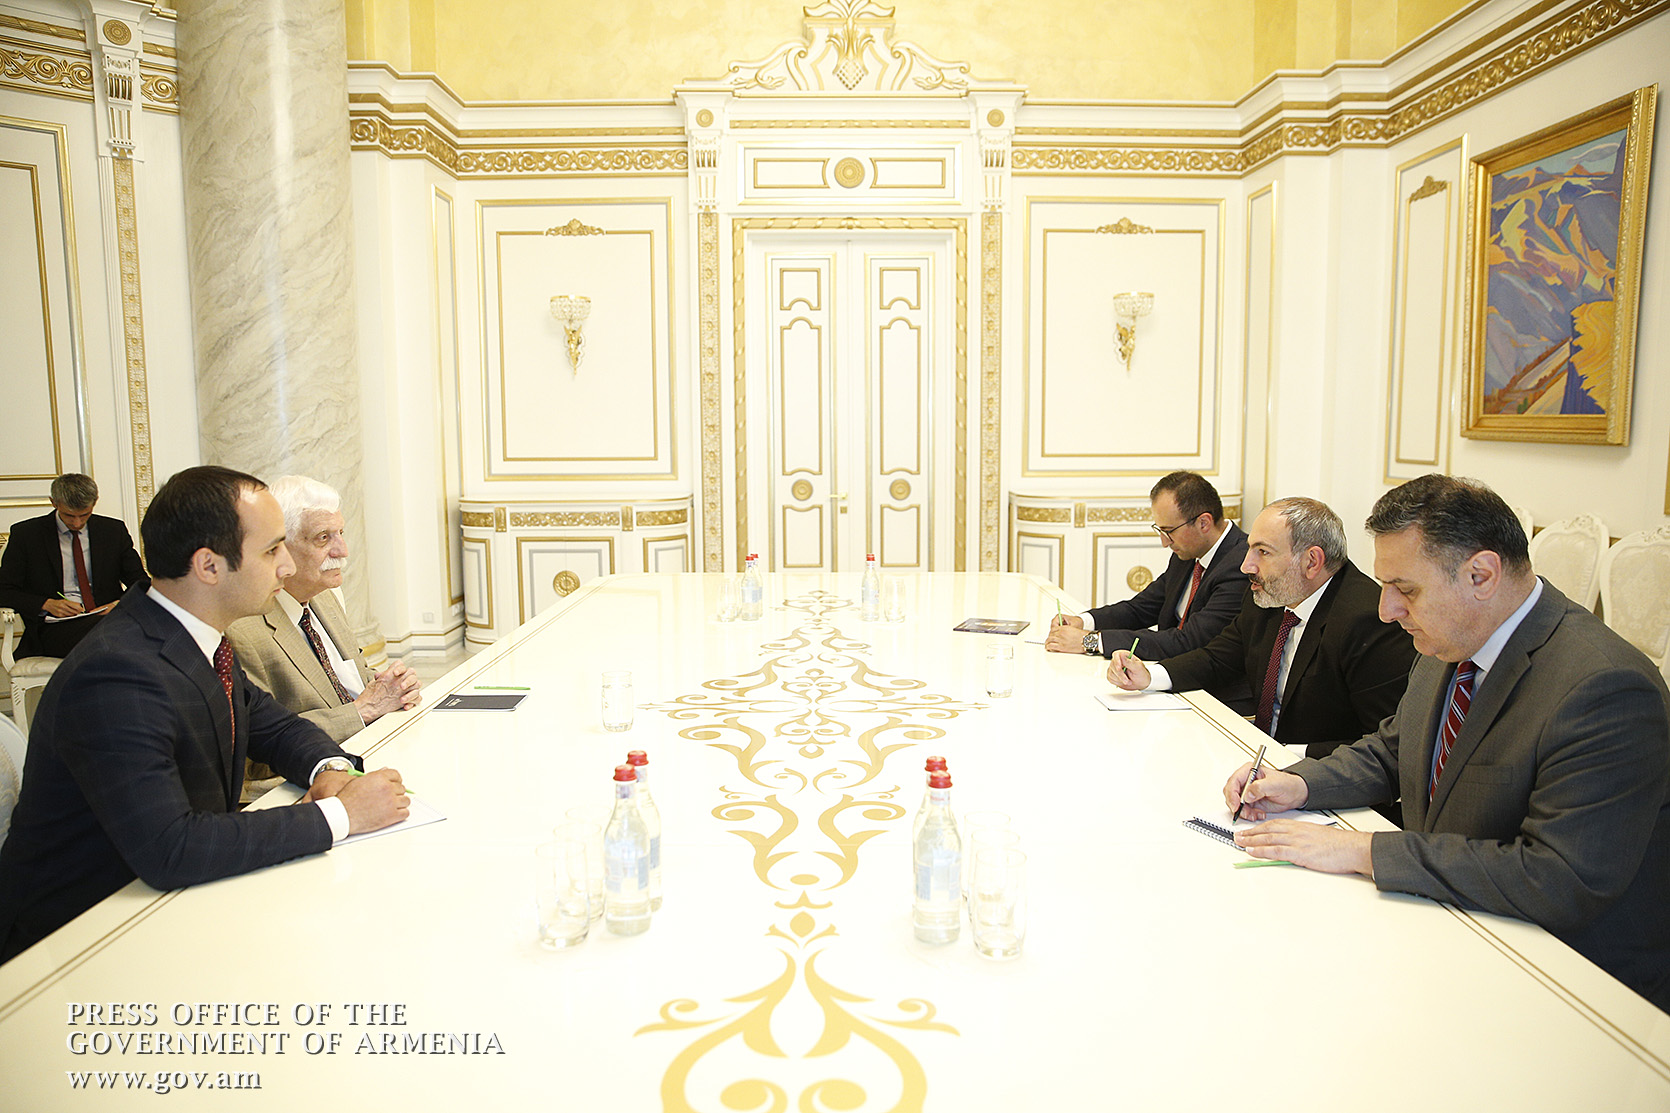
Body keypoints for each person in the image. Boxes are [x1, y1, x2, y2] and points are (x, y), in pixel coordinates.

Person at [1226, 475, 1670, 1011]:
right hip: (1449, 926)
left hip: (1570, 985)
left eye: (1406, 589)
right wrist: (1296, 783)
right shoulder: (1455, 636)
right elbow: (1395, 749)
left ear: (1481, 575)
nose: (1386, 610)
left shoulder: (1605, 688)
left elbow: (1557, 878)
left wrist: (1363, 851)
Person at [0, 466, 410, 963]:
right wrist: (343, 814)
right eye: (271, 550)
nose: (286, 566)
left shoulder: (191, 633)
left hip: (162, 907)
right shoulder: (115, 673)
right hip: (74, 944)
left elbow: (275, 726)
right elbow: (172, 847)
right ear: (209, 566)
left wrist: (331, 770)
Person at [1108, 497, 1415, 757]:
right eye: (1250, 550)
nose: (1246, 566)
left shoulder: (1367, 621)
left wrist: (1283, 755)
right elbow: (1217, 659)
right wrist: (1150, 676)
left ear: (1312, 562)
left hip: (1321, 777)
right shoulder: (1269, 595)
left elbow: (1385, 744)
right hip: (1262, 756)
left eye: (1263, 552)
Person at [227, 475, 420, 745]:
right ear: (279, 547)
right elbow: (260, 743)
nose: (343, 551)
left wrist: (393, 686)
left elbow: (352, 678)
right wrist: (364, 710)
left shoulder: (325, 596)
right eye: (323, 538)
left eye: (341, 533)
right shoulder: (243, 631)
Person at [1046, 472, 1253, 711]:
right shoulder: (1189, 552)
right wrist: (1083, 622)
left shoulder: (1240, 565)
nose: (1164, 542)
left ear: (1204, 523)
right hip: (1171, 681)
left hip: (1215, 698)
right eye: (1160, 530)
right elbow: (1142, 608)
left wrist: (1090, 641)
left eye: (1169, 531)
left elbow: (1189, 642)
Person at [0, 473, 148, 658]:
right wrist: (47, 604)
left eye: (84, 515)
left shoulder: (112, 531)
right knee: (123, 636)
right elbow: (4, 590)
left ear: (95, 503)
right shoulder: (27, 534)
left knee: (127, 628)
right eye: (69, 515)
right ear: (54, 503)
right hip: (56, 628)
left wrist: (119, 604)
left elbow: (140, 582)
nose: (77, 523)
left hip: (108, 618)